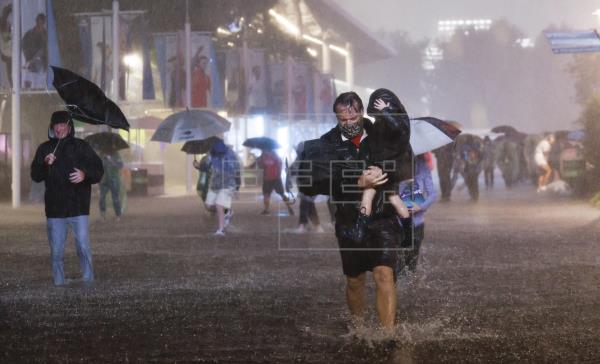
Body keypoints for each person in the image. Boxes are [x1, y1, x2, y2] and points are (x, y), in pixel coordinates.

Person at [299, 91, 407, 334]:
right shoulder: (327, 144)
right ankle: (358, 329)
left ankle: (387, 334)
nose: (348, 124)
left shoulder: (382, 134)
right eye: (342, 120)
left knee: (384, 274)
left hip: (382, 215)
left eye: (352, 118)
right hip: (349, 218)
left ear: (360, 112)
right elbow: (319, 181)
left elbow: (399, 159)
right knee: (355, 280)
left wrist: (382, 178)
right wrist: (357, 182)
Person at [30, 111, 104, 286]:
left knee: (83, 247)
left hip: (78, 207)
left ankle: (88, 279)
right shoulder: (44, 149)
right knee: (56, 251)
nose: (59, 128)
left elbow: (98, 170)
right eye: (56, 125)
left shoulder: (81, 146)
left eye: (63, 124)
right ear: (52, 127)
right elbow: (35, 175)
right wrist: (44, 164)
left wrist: (85, 175)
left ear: (69, 127)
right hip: (55, 209)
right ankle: (59, 282)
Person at [340, 88, 412, 243]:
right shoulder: (385, 122)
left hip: (387, 168)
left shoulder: (398, 121)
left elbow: (398, 129)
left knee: (369, 193)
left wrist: (384, 111)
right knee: (393, 198)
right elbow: (375, 137)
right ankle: (408, 234)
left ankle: (360, 231)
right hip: (389, 167)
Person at [398, 153, 438, 274]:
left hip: (417, 223)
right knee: (398, 259)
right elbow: (389, 193)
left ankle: (410, 288)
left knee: (412, 260)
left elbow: (432, 194)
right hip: (398, 222)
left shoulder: (422, 166)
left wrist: (420, 207)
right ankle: (397, 288)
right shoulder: (394, 165)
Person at [205, 139, 240, 236]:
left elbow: (237, 170)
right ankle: (227, 211)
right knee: (208, 205)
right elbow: (206, 166)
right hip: (215, 184)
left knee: (219, 205)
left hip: (228, 184)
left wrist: (237, 187)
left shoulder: (230, 154)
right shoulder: (210, 154)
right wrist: (199, 166)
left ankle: (221, 229)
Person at [256, 148, 294, 216]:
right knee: (271, 194)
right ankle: (289, 208)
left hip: (270, 178)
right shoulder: (270, 156)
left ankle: (268, 210)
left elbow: (262, 166)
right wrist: (259, 161)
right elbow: (262, 167)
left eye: (263, 150)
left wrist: (260, 160)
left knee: (268, 194)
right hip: (272, 178)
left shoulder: (269, 156)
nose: (262, 151)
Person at [21, 13, 47, 89]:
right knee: (27, 80)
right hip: (29, 62)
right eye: (38, 22)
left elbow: (44, 50)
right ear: (36, 21)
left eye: (41, 23)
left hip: (40, 63)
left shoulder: (45, 35)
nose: (39, 25)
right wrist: (29, 59)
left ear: (43, 23)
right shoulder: (29, 33)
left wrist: (42, 35)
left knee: (38, 84)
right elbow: (23, 46)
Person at [99, 150, 124, 220]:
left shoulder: (116, 154)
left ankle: (118, 214)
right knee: (102, 197)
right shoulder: (101, 154)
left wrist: (111, 160)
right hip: (104, 180)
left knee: (115, 198)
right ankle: (103, 214)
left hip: (114, 180)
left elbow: (120, 165)